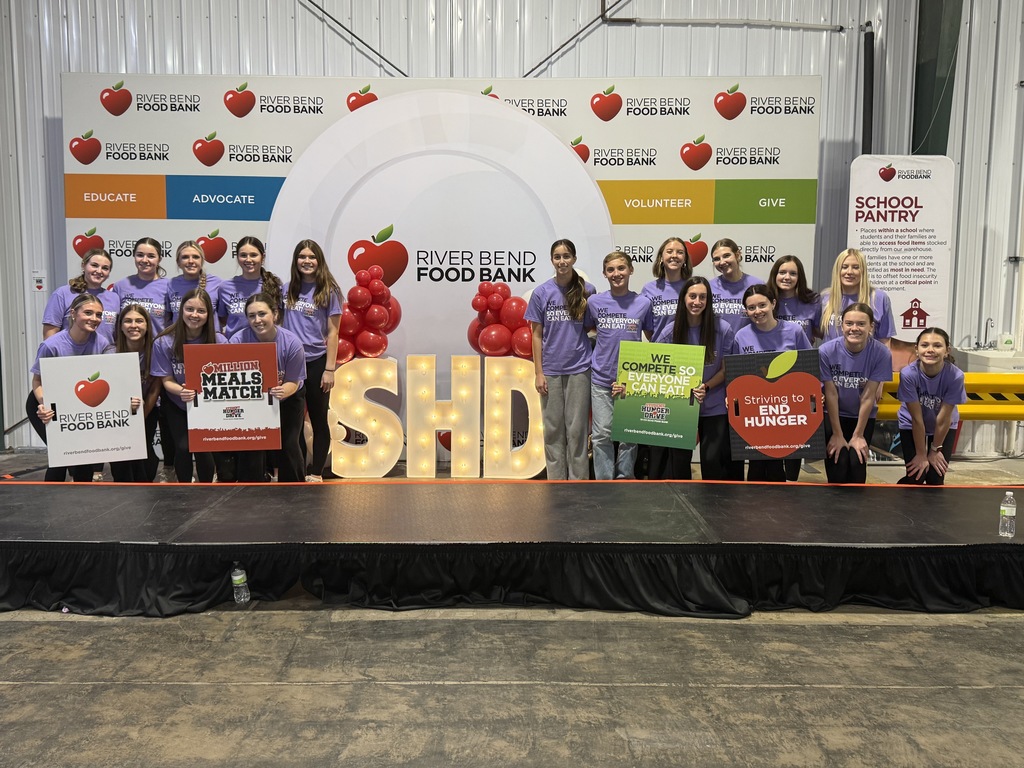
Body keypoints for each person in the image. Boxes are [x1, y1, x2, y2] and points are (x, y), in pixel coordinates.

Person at [651, 276, 741, 480]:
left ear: (708, 300)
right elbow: (658, 372)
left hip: (714, 403)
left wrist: (706, 387)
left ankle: (713, 507)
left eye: (702, 297)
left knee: (711, 460)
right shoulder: (669, 332)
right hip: (681, 406)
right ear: (683, 298)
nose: (697, 302)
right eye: (692, 296)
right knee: (680, 462)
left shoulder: (723, 329)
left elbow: (726, 370)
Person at [526, 238, 596, 480]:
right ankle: (556, 482)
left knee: (577, 430)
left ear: (574, 259)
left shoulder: (588, 290)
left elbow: (594, 327)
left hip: (580, 368)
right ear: (552, 260)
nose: (562, 261)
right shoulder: (541, 293)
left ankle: (578, 483)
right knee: (553, 430)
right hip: (551, 371)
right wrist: (538, 372)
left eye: (567, 256)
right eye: (557, 256)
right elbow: (536, 334)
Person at [28, 294, 113, 482]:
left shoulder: (102, 343)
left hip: (79, 405)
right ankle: (50, 504)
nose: (94, 319)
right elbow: (37, 382)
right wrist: (45, 405)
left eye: (99, 315)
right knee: (60, 456)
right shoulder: (51, 345)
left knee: (83, 459)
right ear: (73, 314)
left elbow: (108, 380)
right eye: (88, 313)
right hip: (45, 403)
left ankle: (83, 504)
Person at [585, 250, 653, 480]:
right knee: (602, 433)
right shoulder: (594, 302)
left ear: (631, 270)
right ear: (605, 274)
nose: (617, 274)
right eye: (611, 270)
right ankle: (605, 481)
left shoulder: (643, 303)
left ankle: (625, 477)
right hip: (602, 377)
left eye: (621, 268)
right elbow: (588, 330)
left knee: (629, 435)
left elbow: (652, 336)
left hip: (631, 380)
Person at [734, 284, 811, 482]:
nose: (757, 311)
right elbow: (736, 376)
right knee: (756, 466)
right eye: (751, 308)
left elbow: (809, 367)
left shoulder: (794, 332)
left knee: (777, 465)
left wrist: (814, 396)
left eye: (762, 305)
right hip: (754, 411)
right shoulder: (741, 336)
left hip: (785, 410)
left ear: (773, 304)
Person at [281, 240, 342, 483]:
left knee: (318, 418)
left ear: (319, 260)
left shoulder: (329, 291)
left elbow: (333, 333)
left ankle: (316, 472)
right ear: (296, 260)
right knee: (291, 421)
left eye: (312, 256)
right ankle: (295, 472)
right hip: (290, 365)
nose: (307, 261)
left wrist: (330, 369)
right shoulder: (286, 290)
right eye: (302, 256)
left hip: (317, 363)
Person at [230, 293, 307, 483]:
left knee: (288, 444)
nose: (257, 320)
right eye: (251, 316)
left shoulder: (292, 343)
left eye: (262, 314)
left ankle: (295, 489)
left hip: (288, 398)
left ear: (275, 314)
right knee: (252, 445)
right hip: (252, 402)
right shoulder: (237, 341)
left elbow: (294, 381)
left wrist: (284, 391)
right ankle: (250, 490)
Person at [151, 288, 224, 483]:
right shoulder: (164, 341)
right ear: (181, 310)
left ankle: (208, 487)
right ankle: (184, 488)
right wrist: (182, 391)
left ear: (209, 314)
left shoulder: (219, 341)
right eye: (189, 309)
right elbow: (166, 380)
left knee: (203, 447)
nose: (194, 315)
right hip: (177, 403)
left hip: (209, 405)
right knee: (182, 447)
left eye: (201, 311)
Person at [819, 303, 893, 484]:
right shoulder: (826, 351)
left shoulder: (881, 353)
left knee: (856, 461)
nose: (854, 329)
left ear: (871, 327)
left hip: (861, 416)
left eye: (861, 324)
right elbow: (831, 394)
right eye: (849, 323)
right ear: (841, 325)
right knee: (839, 460)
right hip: (833, 415)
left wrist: (858, 435)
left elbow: (868, 396)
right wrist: (837, 434)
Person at [896, 327, 966, 485]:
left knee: (935, 477)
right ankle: (901, 495)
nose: (930, 350)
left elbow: (943, 419)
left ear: (947, 350)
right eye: (925, 345)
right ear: (916, 349)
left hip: (942, 425)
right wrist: (921, 454)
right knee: (917, 475)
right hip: (912, 423)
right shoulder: (908, 374)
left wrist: (934, 450)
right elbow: (916, 418)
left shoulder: (955, 376)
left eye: (937, 346)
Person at [109, 305, 161, 482]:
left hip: (147, 408)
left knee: (144, 452)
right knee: (120, 455)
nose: (134, 325)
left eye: (139, 321)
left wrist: (141, 415)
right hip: (118, 412)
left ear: (147, 325)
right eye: (128, 321)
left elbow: (155, 387)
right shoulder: (110, 352)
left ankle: (145, 486)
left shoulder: (156, 351)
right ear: (121, 326)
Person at [819, 248, 896, 344]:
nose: (849, 272)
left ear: (863, 271)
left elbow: (885, 342)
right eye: (844, 267)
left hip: (868, 358)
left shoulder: (879, 298)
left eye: (856, 267)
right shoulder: (825, 298)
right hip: (831, 358)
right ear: (837, 270)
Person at [41, 248, 119, 342]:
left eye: (105, 268)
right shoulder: (63, 294)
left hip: (106, 355)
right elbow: (50, 334)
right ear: (83, 265)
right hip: (71, 355)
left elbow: (116, 335)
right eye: (94, 265)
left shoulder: (114, 298)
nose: (99, 271)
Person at [219, 235, 283, 339]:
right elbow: (222, 319)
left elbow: (279, 318)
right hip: (235, 348)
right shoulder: (225, 288)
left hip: (266, 346)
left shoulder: (275, 285)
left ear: (263, 257)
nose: (248, 259)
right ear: (237, 257)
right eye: (243, 255)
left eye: (253, 255)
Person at [110, 237, 170, 336]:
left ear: (159, 259)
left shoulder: (169, 286)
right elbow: (114, 324)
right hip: (129, 349)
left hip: (158, 349)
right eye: (140, 255)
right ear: (134, 256)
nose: (144, 260)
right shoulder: (121, 286)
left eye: (151, 256)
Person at [641, 237, 693, 342]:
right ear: (661, 258)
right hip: (660, 352)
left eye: (680, 252)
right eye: (669, 252)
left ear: (685, 259)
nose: (674, 255)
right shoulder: (649, 289)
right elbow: (647, 328)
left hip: (688, 352)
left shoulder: (693, 287)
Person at [709, 237, 762, 334]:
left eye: (726, 256)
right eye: (716, 259)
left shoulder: (758, 285)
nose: (722, 262)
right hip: (718, 347)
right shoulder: (708, 287)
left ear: (737, 255)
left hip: (747, 346)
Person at [166, 240, 224, 326]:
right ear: (178, 262)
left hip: (210, 338)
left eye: (195, 257)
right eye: (185, 257)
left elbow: (223, 318)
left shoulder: (217, 283)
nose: (191, 261)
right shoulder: (172, 284)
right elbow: (167, 317)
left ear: (202, 261)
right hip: (180, 339)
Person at [769, 255, 820, 346]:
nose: (787, 277)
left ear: (799, 277)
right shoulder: (766, 301)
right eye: (782, 272)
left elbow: (822, 333)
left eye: (793, 273)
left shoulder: (812, 301)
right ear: (775, 275)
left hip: (803, 357)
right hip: (772, 357)